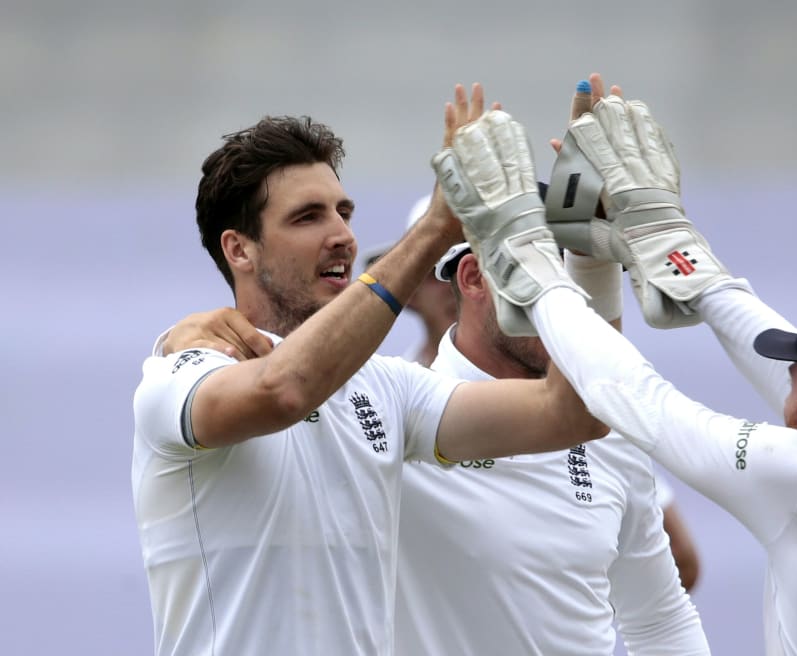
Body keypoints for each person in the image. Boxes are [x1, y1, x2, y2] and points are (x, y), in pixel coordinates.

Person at [431, 73, 797, 655]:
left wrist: (528, 256)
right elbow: (768, 347)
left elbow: (634, 396)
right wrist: (674, 247)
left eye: (796, 376)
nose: (783, 383)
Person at [131, 84, 607, 656]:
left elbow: (576, 410)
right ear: (239, 250)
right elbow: (283, 390)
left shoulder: (387, 385)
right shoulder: (178, 375)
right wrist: (436, 230)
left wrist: (588, 254)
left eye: (344, 211)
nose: (343, 236)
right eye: (308, 217)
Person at [371, 191, 702, 590]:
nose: (444, 287)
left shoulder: (603, 411)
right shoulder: (386, 404)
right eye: (430, 271)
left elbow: (672, 573)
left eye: (562, 271)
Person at [362, 194, 458, 365]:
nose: (460, 284)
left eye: (477, 267)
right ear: (409, 292)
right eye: (438, 271)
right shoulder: (389, 389)